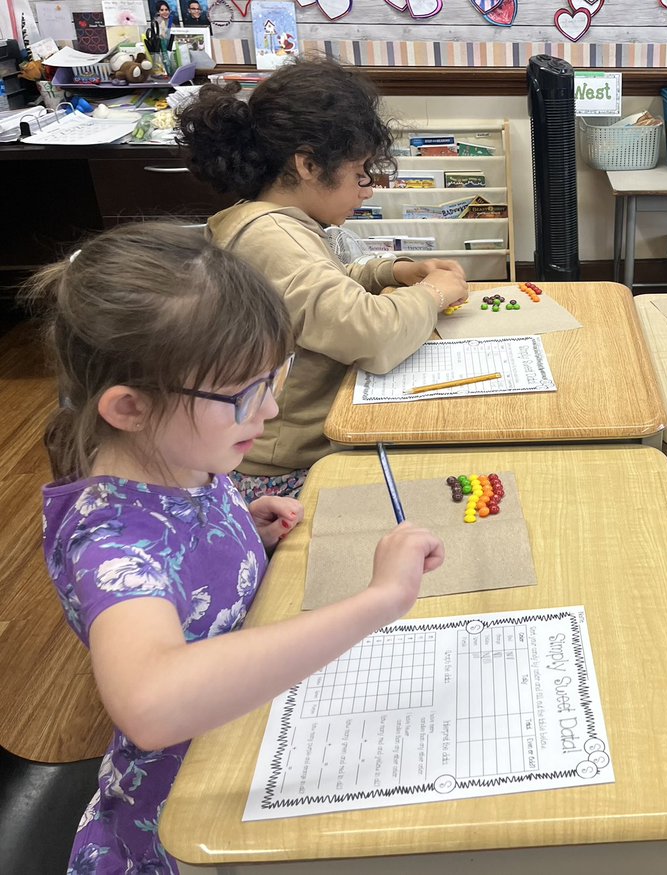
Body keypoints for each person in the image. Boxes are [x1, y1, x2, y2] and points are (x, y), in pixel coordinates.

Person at [28, 223, 445, 874]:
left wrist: (243, 529)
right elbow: (152, 703)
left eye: (274, 379)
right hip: (185, 825)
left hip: (250, 737)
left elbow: (181, 569)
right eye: (246, 394)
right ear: (130, 407)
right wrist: (377, 601)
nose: (271, 409)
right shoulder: (107, 538)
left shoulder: (184, 459)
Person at [177, 58, 468, 500]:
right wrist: (433, 293)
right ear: (309, 165)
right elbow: (371, 334)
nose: (367, 189)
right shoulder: (271, 238)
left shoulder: (271, 222)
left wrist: (396, 271)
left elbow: (325, 284)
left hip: (299, 444)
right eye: (360, 172)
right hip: (286, 470)